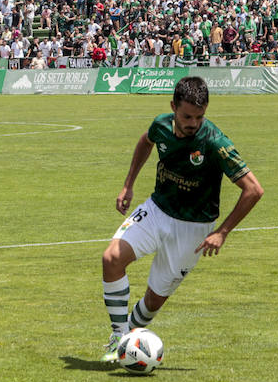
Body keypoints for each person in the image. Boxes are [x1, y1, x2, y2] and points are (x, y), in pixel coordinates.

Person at [100, 76, 264, 362]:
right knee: (111, 258)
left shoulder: (214, 141)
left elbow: (254, 190)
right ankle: (118, 338)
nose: (193, 122)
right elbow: (145, 142)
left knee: (153, 301)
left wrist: (222, 232)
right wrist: (128, 184)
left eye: (200, 116)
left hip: (193, 229)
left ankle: (130, 337)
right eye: (187, 116)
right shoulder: (161, 124)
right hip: (156, 210)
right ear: (173, 107)